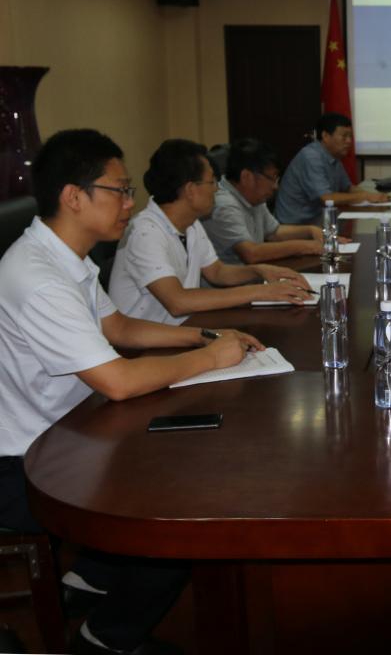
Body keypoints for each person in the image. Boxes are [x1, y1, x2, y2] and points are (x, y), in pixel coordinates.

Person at [0, 129, 263, 655]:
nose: (130, 203)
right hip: (24, 461)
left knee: (193, 453)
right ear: (73, 197)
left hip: (74, 426)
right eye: (119, 191)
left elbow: (118, 327)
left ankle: (90, 581)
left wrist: (204, 336)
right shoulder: (38, 276)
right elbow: (117, 381)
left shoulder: (67, 257)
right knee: (178, 514)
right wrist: (211, 358)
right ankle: (105, 640)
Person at [109, 139, 312, 325]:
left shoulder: (191, 223)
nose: (216, 189)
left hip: (182, 329)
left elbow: (217, 272)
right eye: (212, 182)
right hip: (145, 345)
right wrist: (260, 292)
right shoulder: (144, 232)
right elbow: (178, 301)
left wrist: (260, 271)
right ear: (190, 189)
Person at [202, 137, 329, 265]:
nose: (275, 186)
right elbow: (251, 253)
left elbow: (274, 233)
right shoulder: (223, 204)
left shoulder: (253, 196)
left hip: (255, 273)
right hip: (233, 277)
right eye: (272, 178)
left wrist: (310, 230)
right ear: (247, 177)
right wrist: (303, 246)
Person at [275, 113, 390, 225]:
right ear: (325, 136)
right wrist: (365, 196)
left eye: (350, 136)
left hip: (318, 219)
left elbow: (347, 188)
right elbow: (326, 198)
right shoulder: (311, 156)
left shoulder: (334, 156)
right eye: (344, 136)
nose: (349, 141)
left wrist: (374, 196)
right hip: (295, 225)